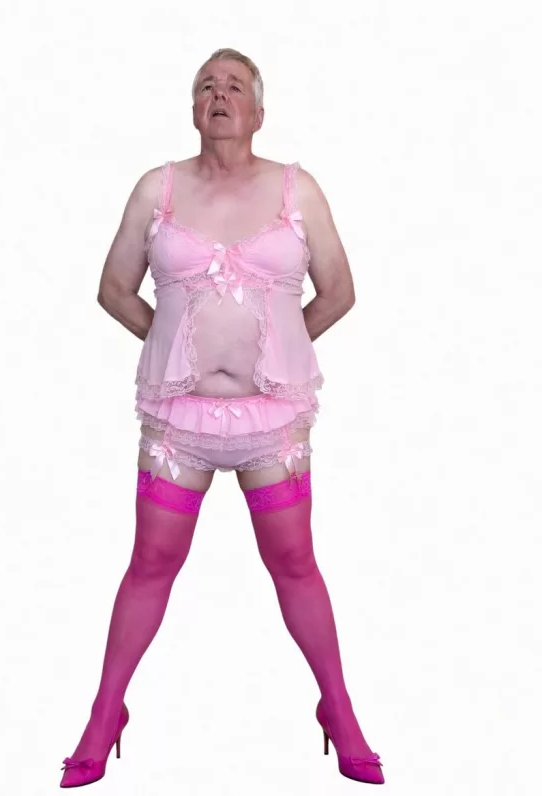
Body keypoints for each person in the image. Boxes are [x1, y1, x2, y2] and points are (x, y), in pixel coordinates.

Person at [59, 48, 384, 788]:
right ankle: (105, 713)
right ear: (192, 109)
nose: (219, 93)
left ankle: (338, 709)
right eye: (206, 84)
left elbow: (338, 292)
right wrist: (176, 345)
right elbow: (113, 289)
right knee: (151, 563)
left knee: (294, 562)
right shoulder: (158, 188)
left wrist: (279, 350)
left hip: (273, 422)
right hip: (179, 420)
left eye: (235, 85)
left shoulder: (298, 190)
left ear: (259, 112)